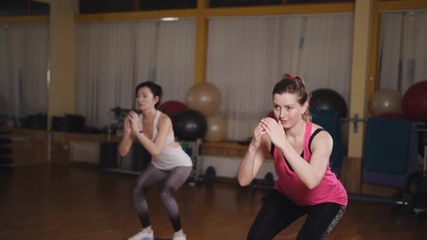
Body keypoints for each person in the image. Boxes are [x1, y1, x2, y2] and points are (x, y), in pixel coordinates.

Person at [237, 74, 347, 240]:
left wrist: (283, 144)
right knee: (255, 237)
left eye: (289, 107)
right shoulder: (270, 137)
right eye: (276, 107)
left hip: (326, 199)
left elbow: (311, 181)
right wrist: (253, 147)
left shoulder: (321, 138)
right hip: (289, 195)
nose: (281, 115)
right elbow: (243, 181)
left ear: (304, 107)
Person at [119, 81, 192, 240]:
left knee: (166, 192)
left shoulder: (164, 120)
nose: (140, 99)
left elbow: (155, 150)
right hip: (159, 164)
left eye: (145, 96)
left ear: (155, 99)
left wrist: (137, 131)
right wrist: (127, 132)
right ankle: (147, 231)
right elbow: (123, 152)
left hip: (179, 164)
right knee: (137, 188)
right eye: (138, 96)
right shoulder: (137, 120)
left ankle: (180, 234)